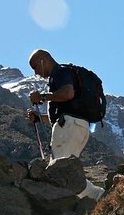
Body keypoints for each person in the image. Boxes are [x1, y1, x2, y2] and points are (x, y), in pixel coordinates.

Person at [26, 49, 103, 200]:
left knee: (62, 171)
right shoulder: (64, 74)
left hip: (69, 127)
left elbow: (68, 94)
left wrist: (42, 96)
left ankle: (100, 196)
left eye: (35, 67)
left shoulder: (60, 73)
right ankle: (91, 201)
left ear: (44, 60)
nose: (36, 73)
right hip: (77, 126)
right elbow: (65, 111)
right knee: (65, 171)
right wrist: (40, 118)